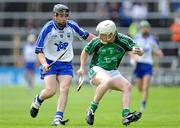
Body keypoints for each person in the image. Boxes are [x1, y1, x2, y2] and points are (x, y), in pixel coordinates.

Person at [29, 4, 95, 126]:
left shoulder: (71, 25)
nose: (64, 18)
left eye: (66, 15)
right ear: (55, 16)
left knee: (64, 89)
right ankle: (38, 100)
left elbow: (86, 36)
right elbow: (38, 50)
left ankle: (57, 118)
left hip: (66, 64)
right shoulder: (48, 28)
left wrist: (100, 42)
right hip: (49, 62)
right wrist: (43, 63)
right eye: (61, 15)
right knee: (50, 91)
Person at [77, 20, 143, 126]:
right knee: (107, 81)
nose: (100, 36)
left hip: (112, 71)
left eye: (103, 34)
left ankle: (126, 115)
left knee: (127, 86)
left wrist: (140, 51)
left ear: (111, 34)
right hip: (97, 68)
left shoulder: (123, 40)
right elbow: (85, 51)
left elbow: (138, 48)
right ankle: (91, 109)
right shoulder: (97, 41)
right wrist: (81, 67)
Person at [131, 20, 163, 111]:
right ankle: (144, 95)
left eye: (146, 28)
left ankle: (143, 104)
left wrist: (159, 53)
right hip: (139, 64)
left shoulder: (152, 39)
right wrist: (133, 57)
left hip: (148, 64)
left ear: (149, 29)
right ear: (140, 29)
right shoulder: (136, 38)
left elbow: (157, 50)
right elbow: (131, 50)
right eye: (143, 28)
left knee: (145, 86)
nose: (145, 29)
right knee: (140, 88)